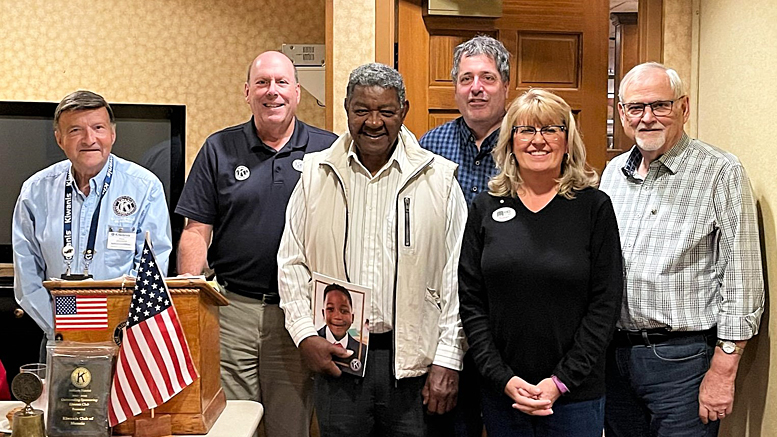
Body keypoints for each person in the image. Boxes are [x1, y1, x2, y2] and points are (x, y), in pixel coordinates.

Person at [278, 62, 467, 437]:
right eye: (362, 110)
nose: (374, 122)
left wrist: (449, 357)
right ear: (347, 109)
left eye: (386, 111)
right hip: (339, 355)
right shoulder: (316, 173)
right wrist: (303, 332)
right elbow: (291, 261)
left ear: (404, 112)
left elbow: (458, 278)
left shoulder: (439, 178)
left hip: (414, 363)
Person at [175, 51, 337, 437]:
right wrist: (188, 300)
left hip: (298, 317)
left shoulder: (328, 150)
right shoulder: (219, 148)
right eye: (262, 83)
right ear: (247, 92)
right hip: (233, 313)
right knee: (230, 426)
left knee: (289, 427)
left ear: (297, 92)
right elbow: (196, 229)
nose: (272, 92)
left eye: (281, 82)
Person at [600, 62, 765, 437]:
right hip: (614, 358)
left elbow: (742, 276)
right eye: (636, 108)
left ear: (683, 108)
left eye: (660, 105)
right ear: (623, 114)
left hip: (682, 362)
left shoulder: (720, 171)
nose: (647, 118)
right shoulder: (611, 175)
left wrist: (724, 371)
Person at [458, 89, 623, 437]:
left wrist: (560, 381)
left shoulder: (594, 208)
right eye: (526, 130)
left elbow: (605, 304)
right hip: (504, 394)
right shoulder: (484, 208)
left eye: (551, 129)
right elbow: (471, 302)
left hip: (575, 396)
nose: (538, 141)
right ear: (510, 141)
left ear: (567, 140)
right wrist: (502, 378)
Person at [13, 90, 172, 343]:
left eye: (98, 127)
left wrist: (114, 327)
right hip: (58, 335)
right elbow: (27, 277)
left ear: (112, 134)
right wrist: (62, 331)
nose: (89, 139)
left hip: (123, 336)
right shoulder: (35, 191)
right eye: (75, 130)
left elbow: (151, 271)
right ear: (59, 138)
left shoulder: (145, 187)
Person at [419, 34, 510, 437]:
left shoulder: (528, 145)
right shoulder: (428, 146)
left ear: (506, 86)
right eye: (466, 78)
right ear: (455, 87)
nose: (476, 88)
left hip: (504, 321)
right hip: (441, 324)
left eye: (487, 78)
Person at [317, 283, 366, 365]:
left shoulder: (362, 350)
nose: (337, 317)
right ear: (323, 313)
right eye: (330, 309)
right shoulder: (314, 341)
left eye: (344, 311)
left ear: (352, 317)